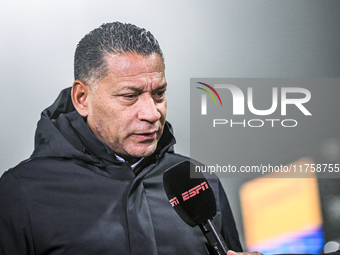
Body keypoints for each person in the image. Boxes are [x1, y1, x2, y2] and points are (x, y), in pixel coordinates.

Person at [0, 22, 246, 255]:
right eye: (130, 96)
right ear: (82, 98)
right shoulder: (21, 193)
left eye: (159, 93)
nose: (152, 114)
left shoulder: (197, 180)